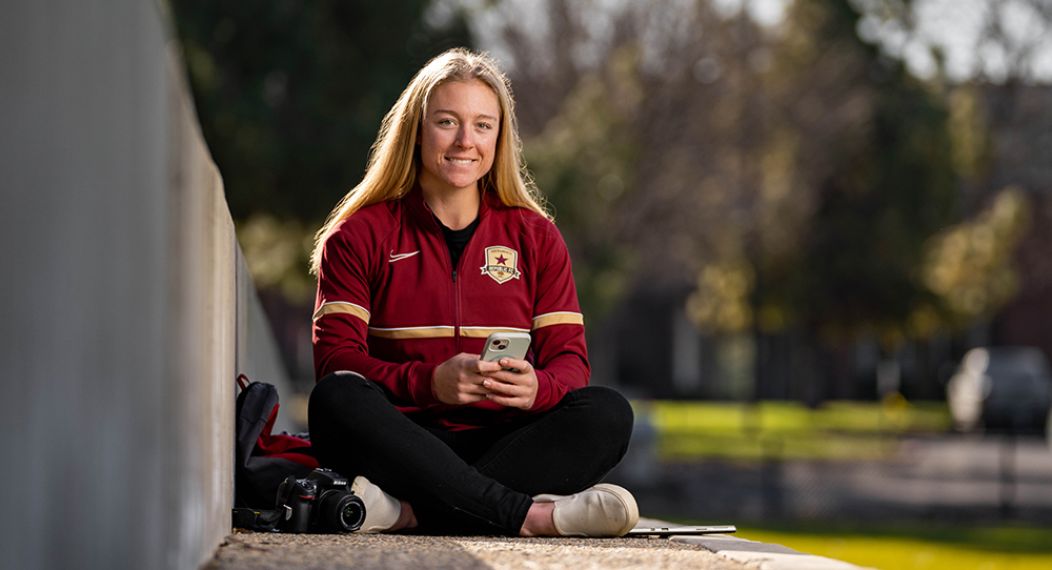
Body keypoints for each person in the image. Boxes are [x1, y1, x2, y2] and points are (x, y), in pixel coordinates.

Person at [306, 47, 637, 537]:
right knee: (336, 399)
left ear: (500, 138)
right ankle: (529, 517)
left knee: (608, 414)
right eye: (447, 122)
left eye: (483, 125)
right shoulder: (358, 235)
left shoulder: (536, 236)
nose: (466, 141)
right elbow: (336, 360)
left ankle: (407, 513)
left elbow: (570, 363)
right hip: (401, 442)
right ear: (416, 130)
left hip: (503, 443)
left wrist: (536, 389)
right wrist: (428, 383)